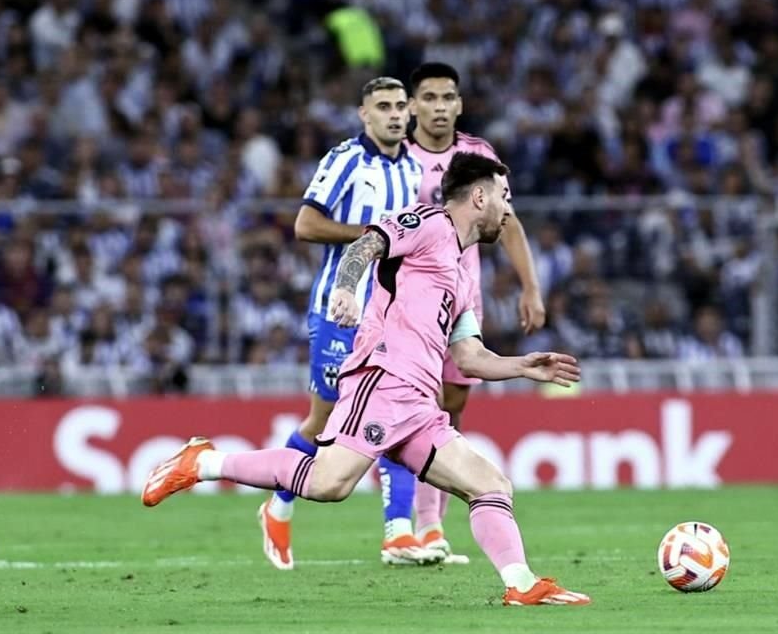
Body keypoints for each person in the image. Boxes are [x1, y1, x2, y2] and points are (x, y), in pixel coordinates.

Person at [142, 153, 591, 607]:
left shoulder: (461, 272)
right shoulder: (429, 223)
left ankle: (521, 583)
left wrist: (522, 366)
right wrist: (345, 289)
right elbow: (365, 246)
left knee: (491, 485)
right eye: (504, 196)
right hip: (382, 380)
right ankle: (202, 463)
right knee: (328, 484)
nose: (508, 210)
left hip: (419, 404)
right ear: (480, 195)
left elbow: (469, 357)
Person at [260, 76, 440, 570]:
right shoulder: (345, 160)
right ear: (364, 114)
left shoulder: (415, 168)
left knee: (396, 408)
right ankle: (277, 504)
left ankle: (398, 533)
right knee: (323, 423)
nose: (395, 114)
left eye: (401, 106)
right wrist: (370, 236)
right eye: (383, 106)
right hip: (339, 312)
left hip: (393, 317)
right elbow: (305, 224)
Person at [405, 62, 545, 561]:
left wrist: (530, 287)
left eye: (448, 97)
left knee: (451, 407)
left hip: (463, 298)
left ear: (459, 104)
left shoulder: (478, 154)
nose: (440, 107)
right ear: (413, 104)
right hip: (410, 301)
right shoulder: (399, 158)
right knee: (416, 405)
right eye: (430, 97)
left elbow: (507, 222)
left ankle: (428, 523)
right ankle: (415, 525)